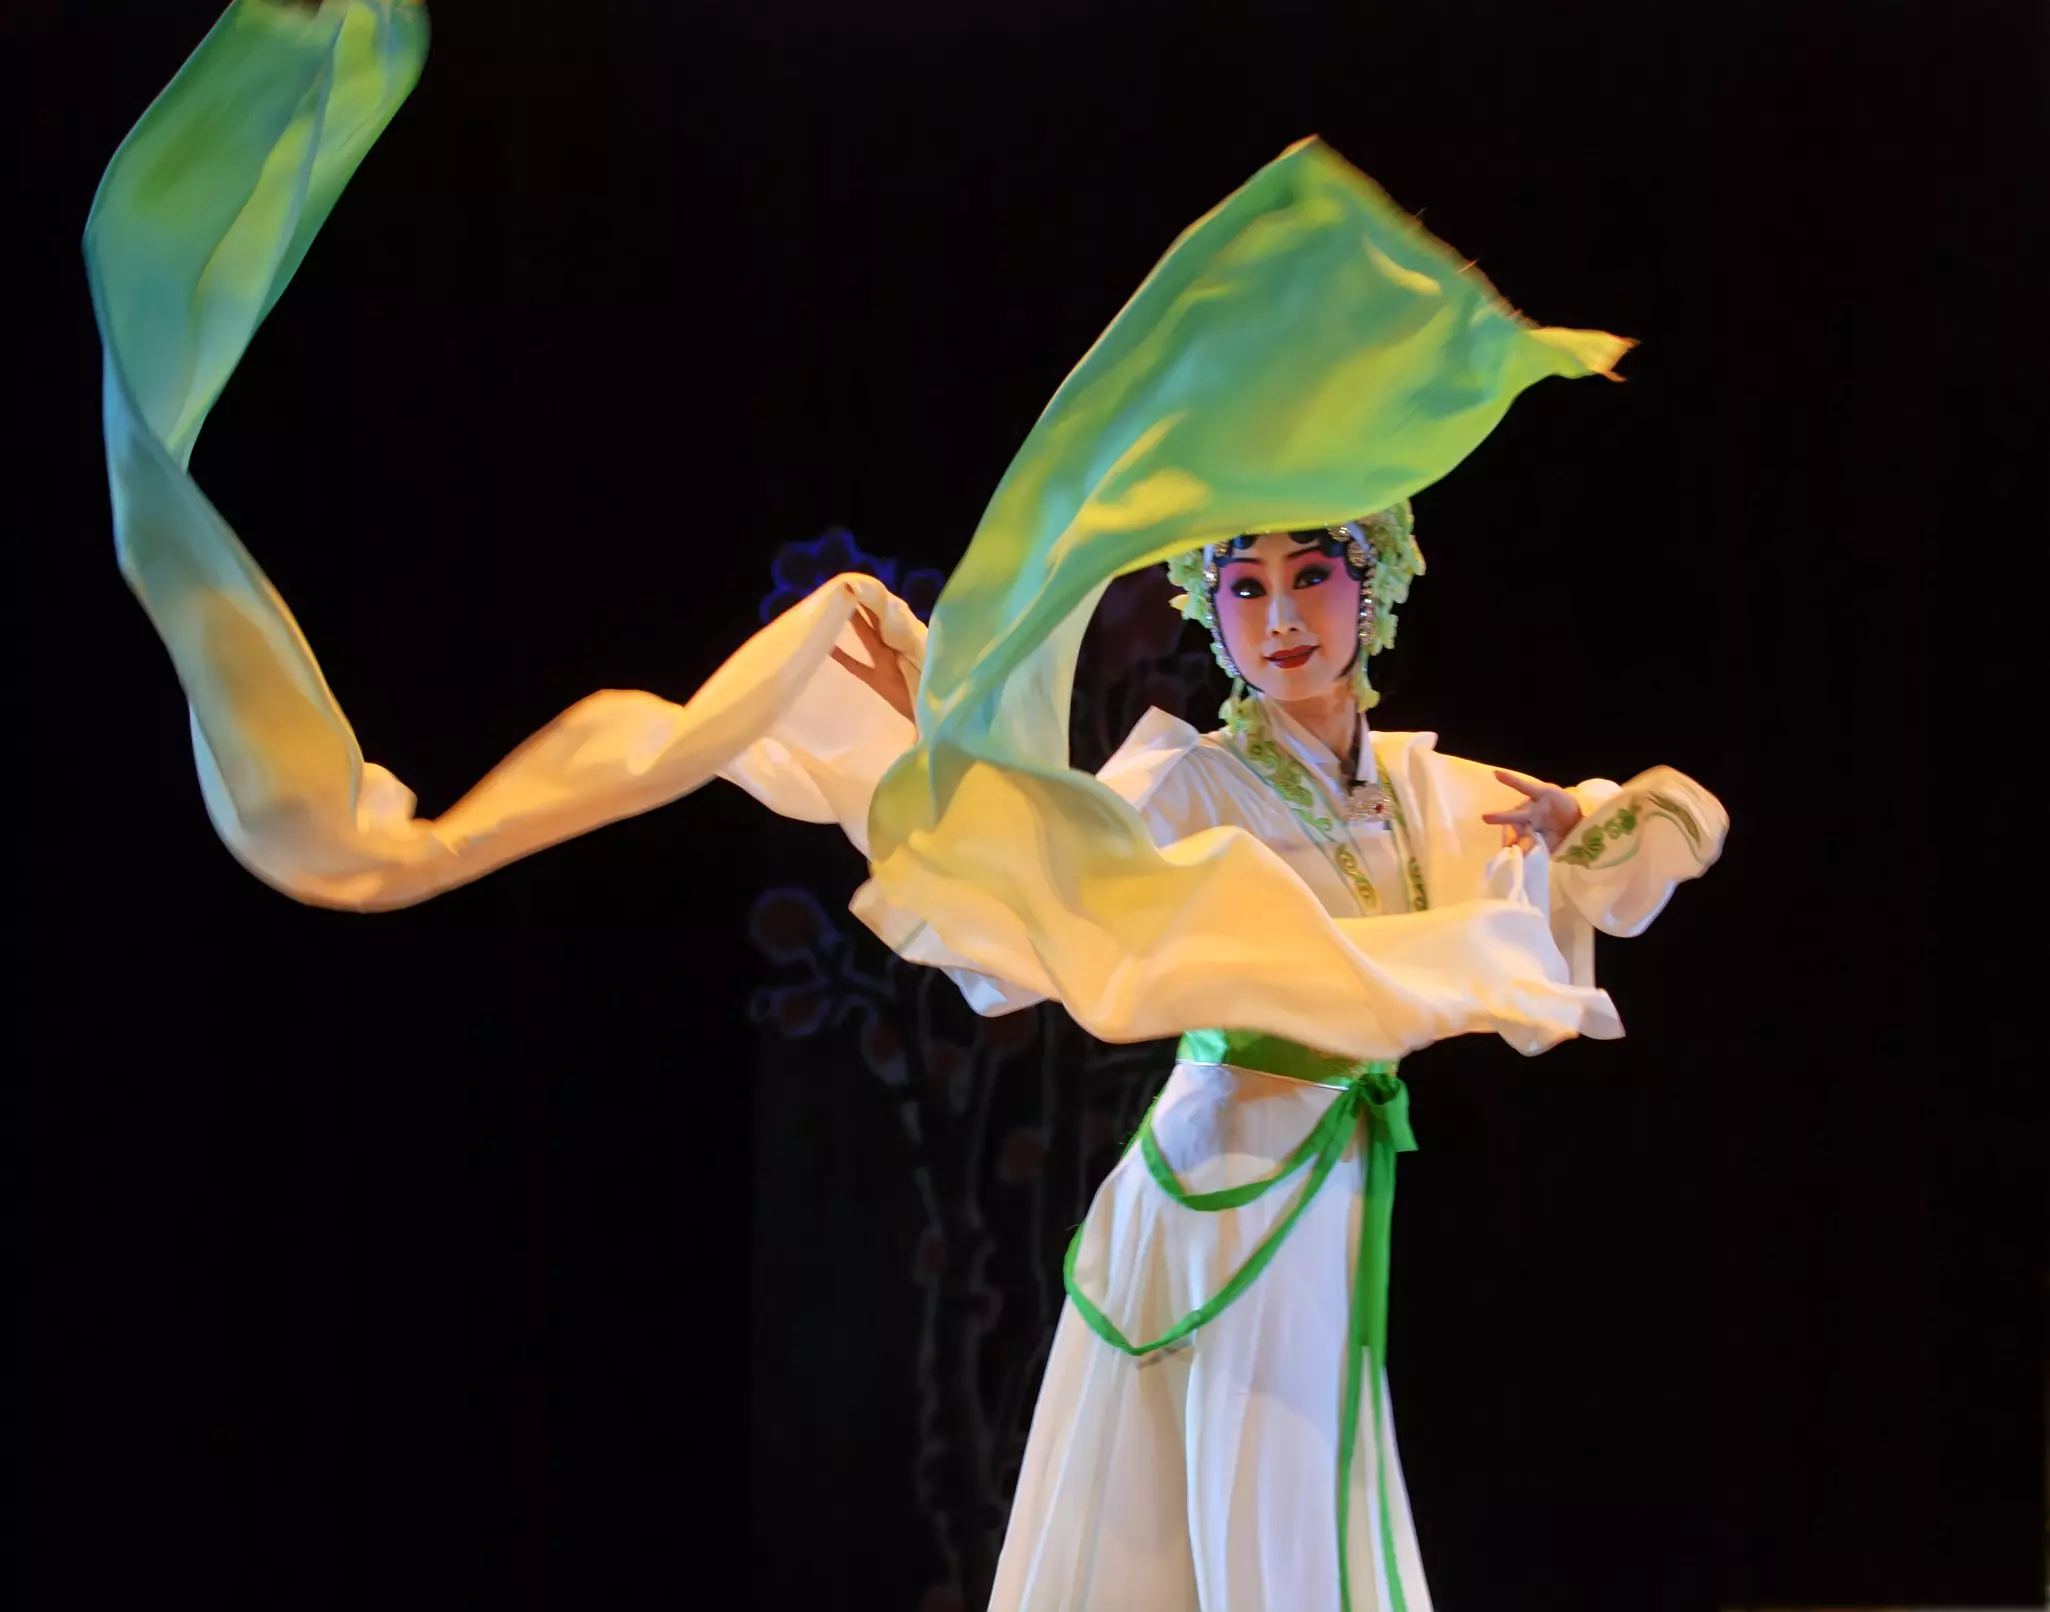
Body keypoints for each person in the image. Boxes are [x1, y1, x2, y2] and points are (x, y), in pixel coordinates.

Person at [86, 3, 1724, 1607]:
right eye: (1242, 581)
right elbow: (1037, 872)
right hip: (1217, 1179)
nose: (1279, 611)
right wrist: (925, 731)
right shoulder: (1181, 774)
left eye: (1312, 572)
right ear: (1209, 612)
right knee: (1251, 1513)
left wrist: (1581, 829)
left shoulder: (1439, 789)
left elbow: (1658, 846)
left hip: (1319, 1192)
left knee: (1280, 1504)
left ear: (1374, 591)